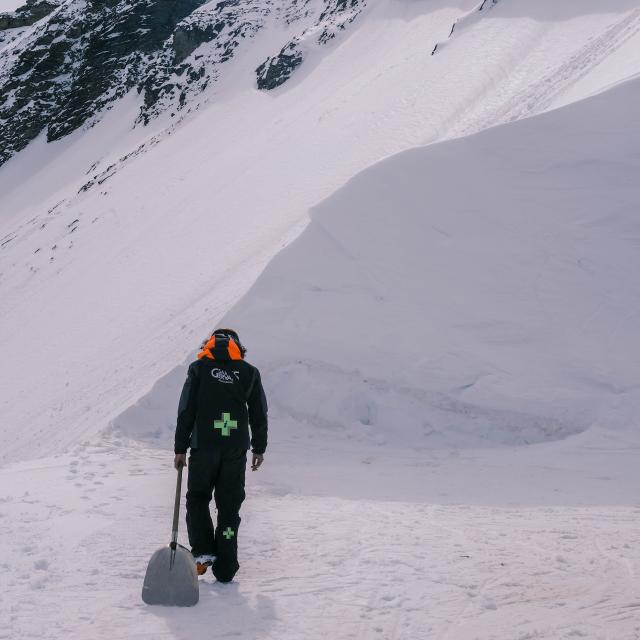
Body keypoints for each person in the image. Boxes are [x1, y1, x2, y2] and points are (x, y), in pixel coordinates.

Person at [173, 328, 268, 582]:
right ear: (239, 348)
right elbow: (259, 414)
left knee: (197, 499)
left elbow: (186, 410)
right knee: (228, 507)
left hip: (204, 447)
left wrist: (180, 448)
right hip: (235, 450)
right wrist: (259, 448)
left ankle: (203, 552)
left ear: (209, 345)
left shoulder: (199, 369)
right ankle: (226, 566)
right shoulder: (249, 373)